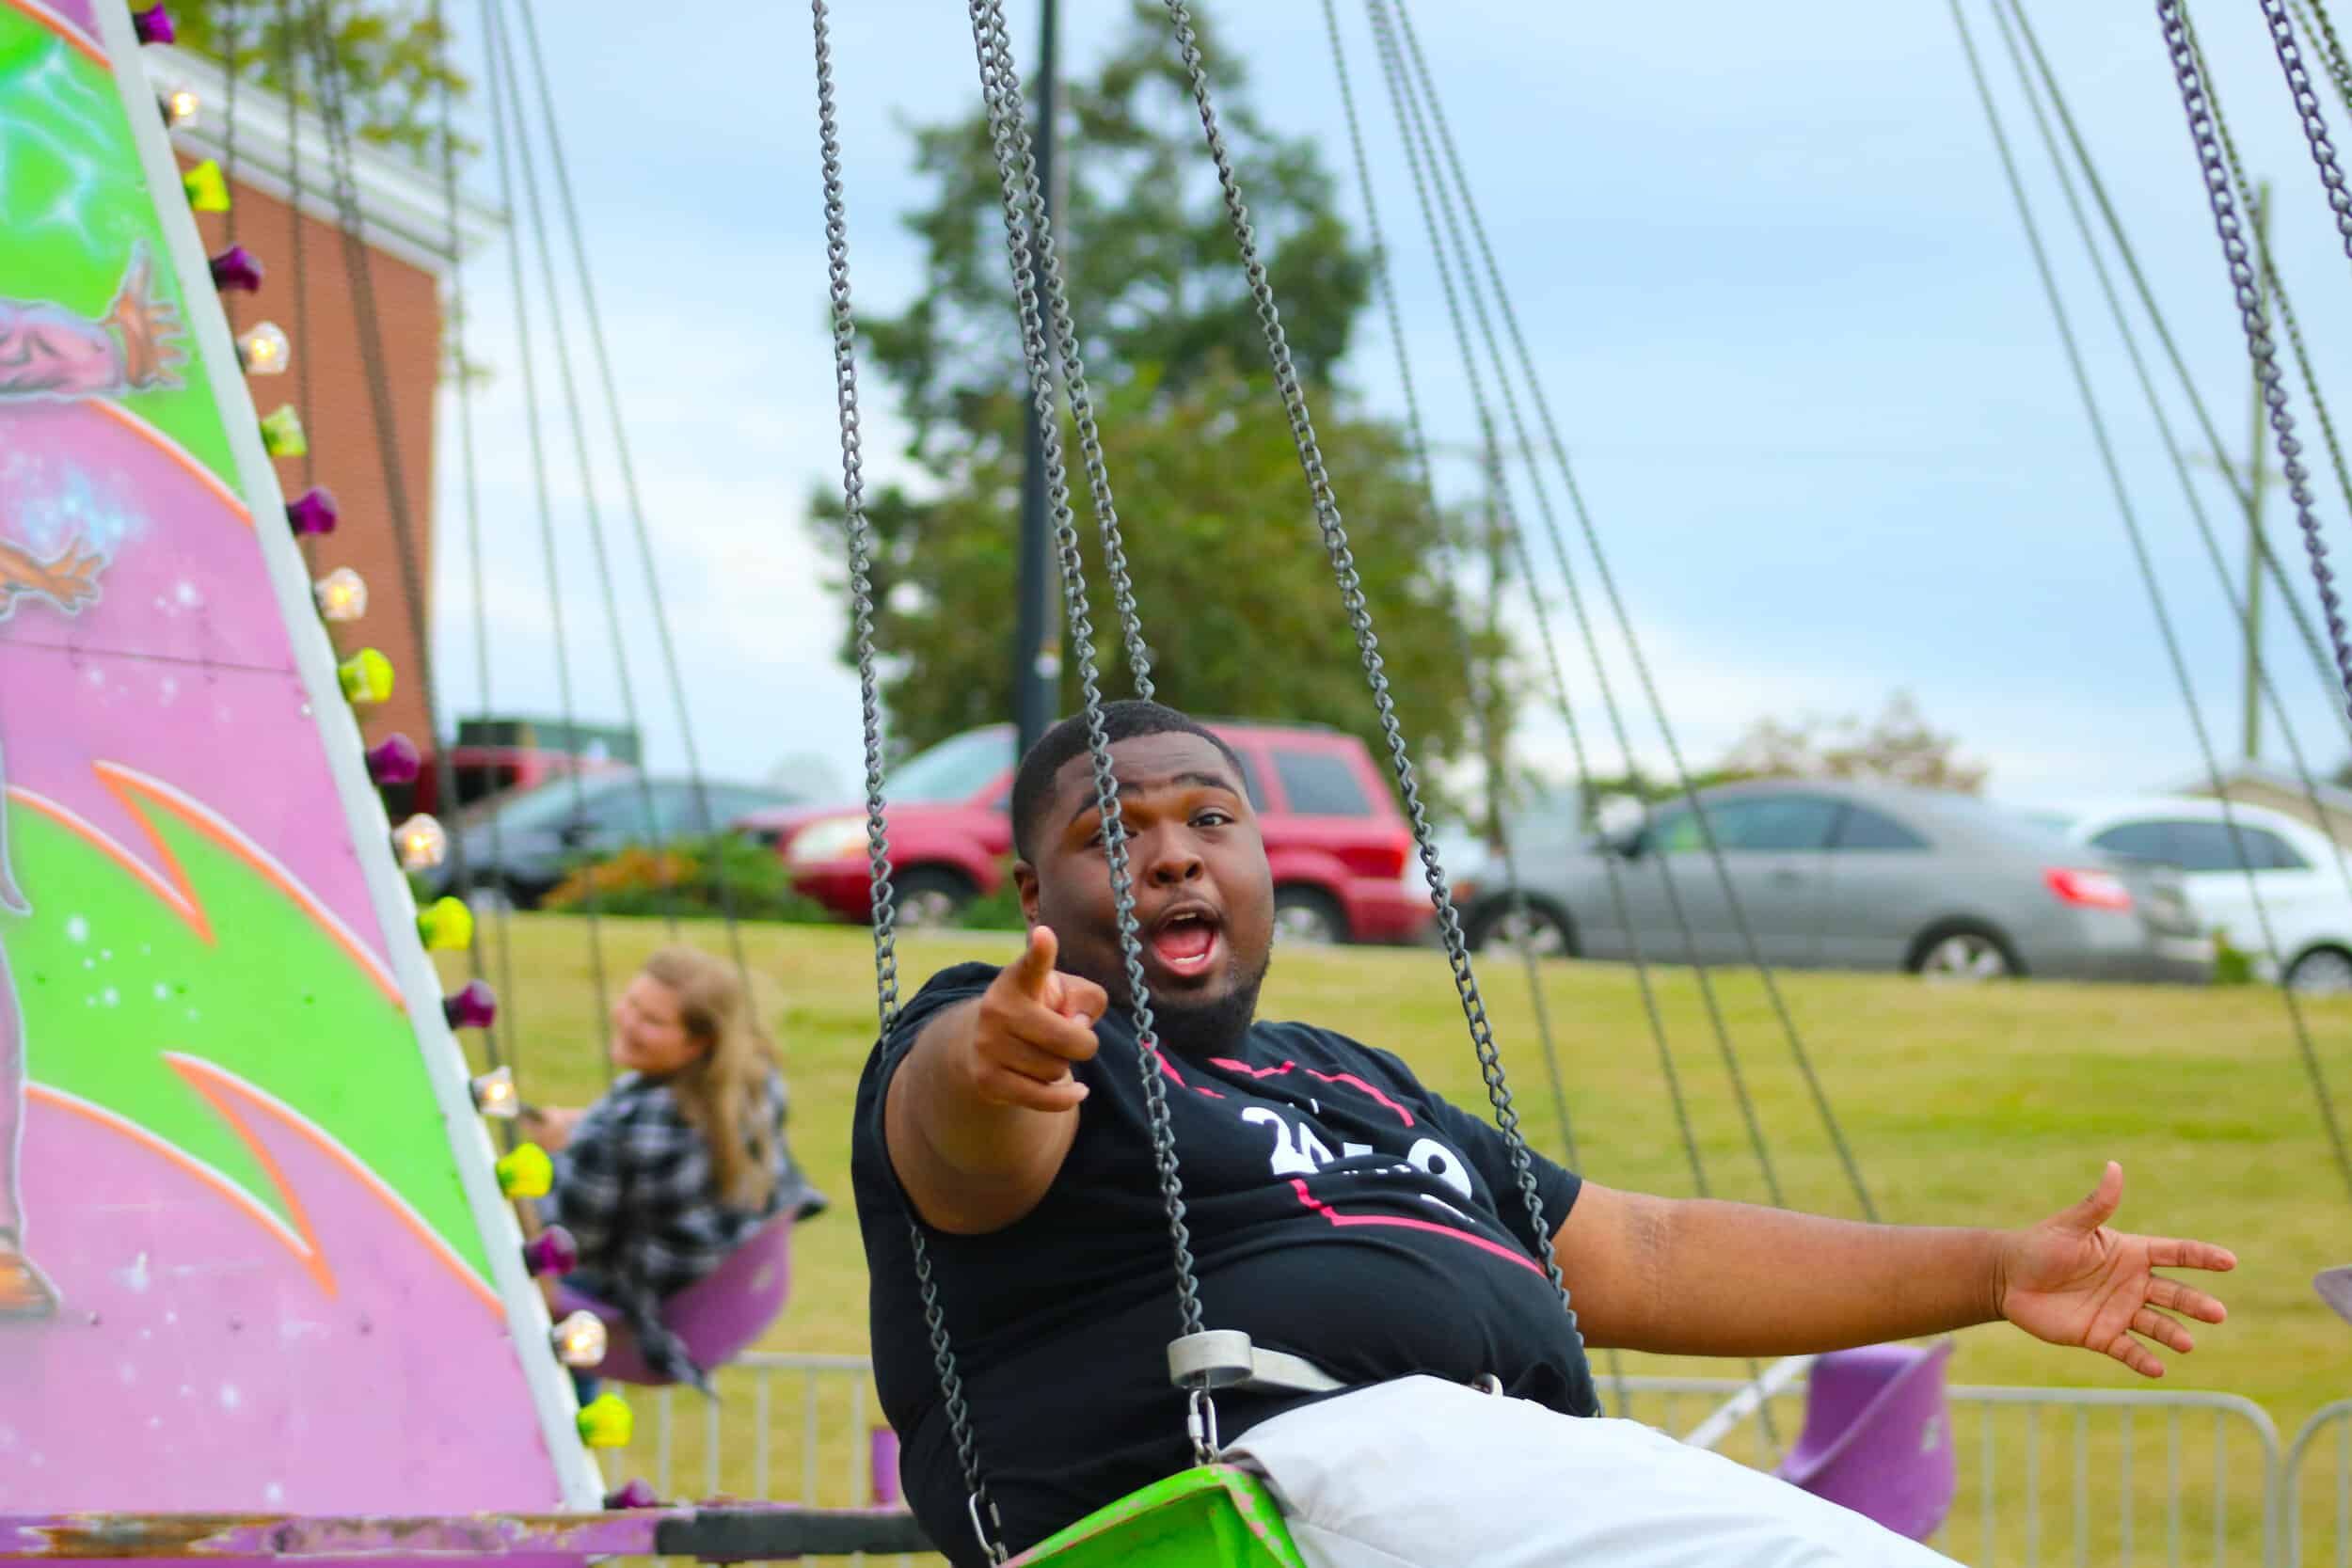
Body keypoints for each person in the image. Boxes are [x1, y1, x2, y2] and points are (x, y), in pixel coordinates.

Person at [851, 701, 2236, 1568]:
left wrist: (1993, 1270)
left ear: (1267, 860)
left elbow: (1644, 1244)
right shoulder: (1005, 1028)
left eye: (1212, 817)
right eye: (1116, 833)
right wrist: (1004, 1062)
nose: (1171, 851)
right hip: (1272, 1477)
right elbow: (962, 1149)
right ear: (1037, 886)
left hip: (1505, 1475)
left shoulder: (1358, 1081)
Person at [522, 945, 821, 1390]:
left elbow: (568, 1243)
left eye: (652, 1021)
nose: (627, 1021)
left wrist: (537, 1169)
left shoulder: (625, 1126)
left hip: (648, 1310)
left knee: (519, 1278)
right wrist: (584, 1129)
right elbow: (661, 1138)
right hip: (720, 1286)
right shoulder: (755, 1083)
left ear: (698, 1044)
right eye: (632, 1004)